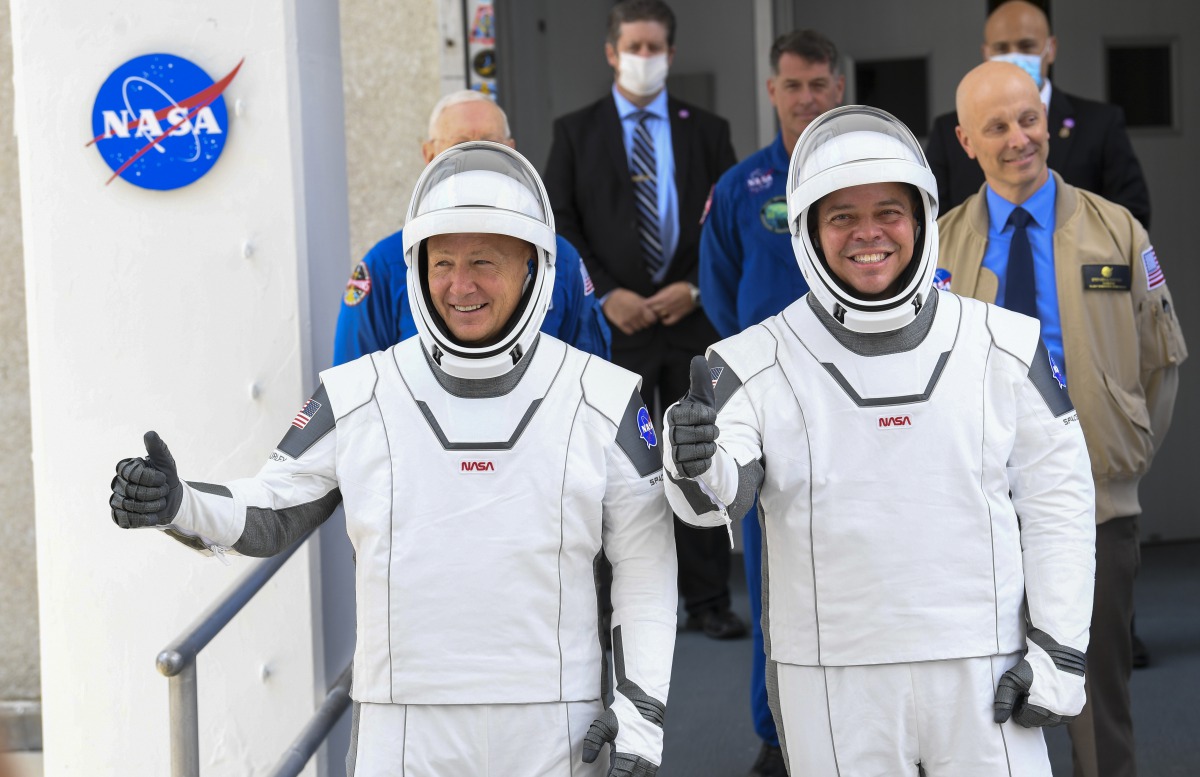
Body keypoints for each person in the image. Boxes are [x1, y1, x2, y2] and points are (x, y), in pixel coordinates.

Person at [109, 142, 678, 777]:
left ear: (533, 267)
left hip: (556, 724)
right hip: (402, 725)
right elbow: (270, 510)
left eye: (485, 262)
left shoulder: (606, 397)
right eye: (443, 263)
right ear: (416, 267)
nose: (460, 285)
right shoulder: (358, 393)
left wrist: (641, 710)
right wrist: (178, 502)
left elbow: (647, 563)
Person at [663, 104, 1097, 775]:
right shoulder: (752, 360)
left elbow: (1059, 503)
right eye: (842, 216)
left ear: (922, 216)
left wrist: (1060, 652)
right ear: (807, 229)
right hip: (833, 675)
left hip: (984, 663)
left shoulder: (1006, 345)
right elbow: (716, 494)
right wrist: (692, 460)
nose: (869, 233)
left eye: (888, 211)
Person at [938, 61, 1187, 777]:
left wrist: (1124, 457)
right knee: (980, 711)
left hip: (1094, 512)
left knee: (1094, 706)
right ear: (965, 140)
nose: (1020, 138)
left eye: (1029, 119)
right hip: (976, 517)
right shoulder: (942, 246)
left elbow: (1159, 365)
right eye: (998, 126)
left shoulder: (1117, 232)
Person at [543, 0, 743, 642]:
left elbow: (723, 221)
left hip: (690, 321)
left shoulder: (706, 130)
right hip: (617, 328)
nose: (645, 57)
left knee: (696, 456)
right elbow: (560, 223)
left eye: (656, 47)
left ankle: (709, 601)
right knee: (617, 466)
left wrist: (692, 286)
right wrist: (604, 294)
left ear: (671, 54)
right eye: (634, 45)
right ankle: (607, 610)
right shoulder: (575, 131)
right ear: (611, 51)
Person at [697, 28, 843, 777]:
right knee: (769, 568)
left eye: (818, 84)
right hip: (769, 410)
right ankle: (776, 732)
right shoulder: (743, 188)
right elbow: (721, 295)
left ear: (838, 88)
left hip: (861, 406)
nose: (806, 99)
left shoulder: (866, 180)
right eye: (793, 86)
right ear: (772, 92)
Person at [333, 90, 611, 366]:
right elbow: (355, 386)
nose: (477, 159)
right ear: (429, 154)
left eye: (491, 145)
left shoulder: (558, 257)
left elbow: (592, 374)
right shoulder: (385, 265)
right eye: (460, 145)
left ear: (512, 151)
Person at [925, 0, 1151, 228]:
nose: (1015, 57)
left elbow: (1131, 216)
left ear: (1050, 49)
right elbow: (935, 221)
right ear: (986, 53)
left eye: (1026, 46)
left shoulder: (1100, 122)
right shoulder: (948, 131)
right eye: (1002, 49)